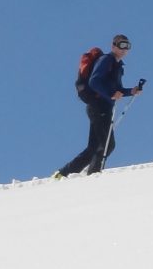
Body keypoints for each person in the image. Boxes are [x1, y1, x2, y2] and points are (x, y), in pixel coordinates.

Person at [55, 35, 144, 177]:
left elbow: (117, 90)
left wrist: (130, 91)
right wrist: (110, 94)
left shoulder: (118, 66)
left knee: (93, 148)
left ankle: (62, 174)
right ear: (113, 46)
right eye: (121, 45)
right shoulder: (106, 60)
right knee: (108, 144)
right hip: (99, 106)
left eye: (127, 46)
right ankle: (93, 176)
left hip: (103, 107)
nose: (124, 49)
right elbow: (94, 81)